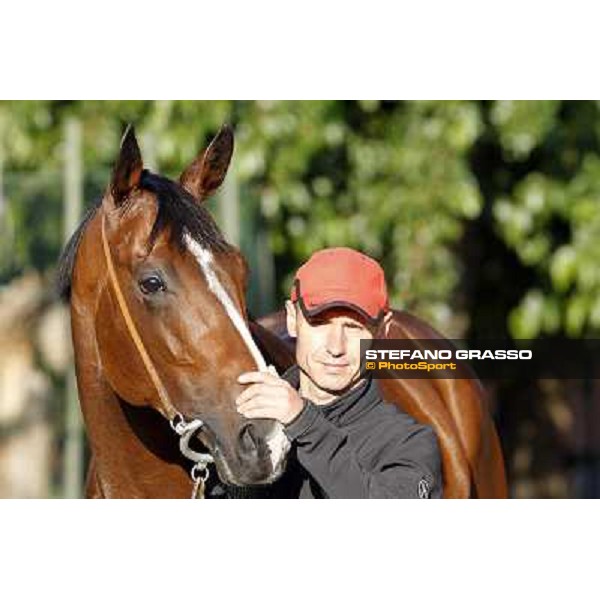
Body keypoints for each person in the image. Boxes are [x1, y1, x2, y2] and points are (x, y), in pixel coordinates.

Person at [236, 247, 443, 498]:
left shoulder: (410, 443)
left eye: (354, 327)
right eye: (320, 323)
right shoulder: (245, 421)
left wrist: (303, 422)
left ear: (383, 333)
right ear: (292, 319)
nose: (336, 347)